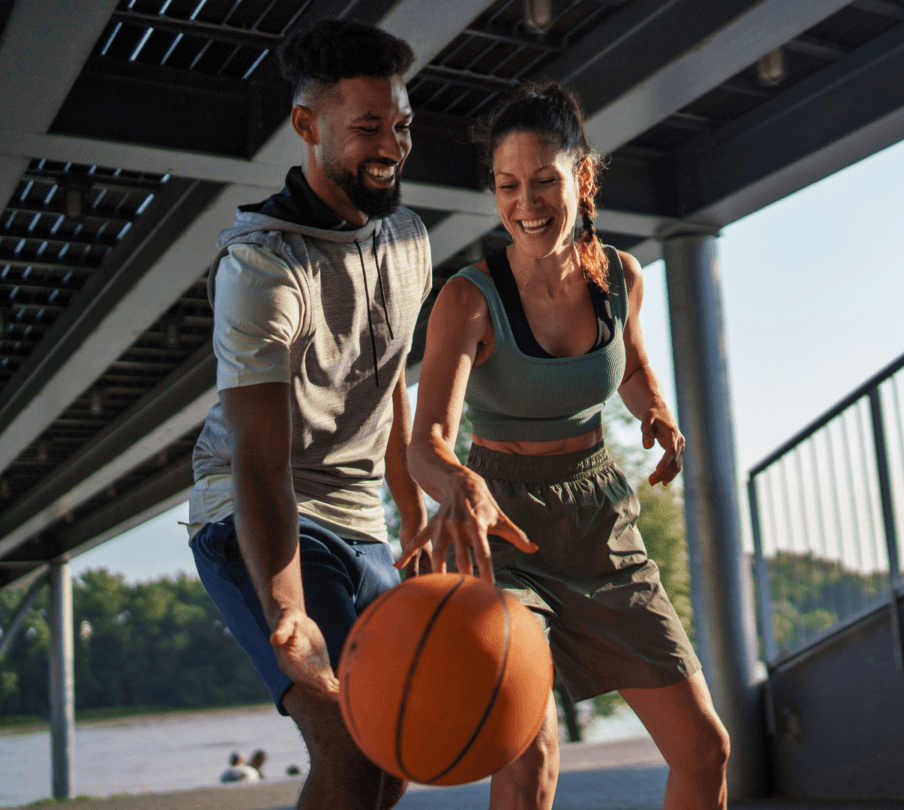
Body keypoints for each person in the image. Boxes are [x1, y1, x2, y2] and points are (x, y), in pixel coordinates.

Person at [400, 82, 730, 809]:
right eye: (507, 185)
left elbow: (632, 367)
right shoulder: (467, 299)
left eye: (545, 181)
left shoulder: (621, 277)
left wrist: (660, 416)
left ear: (582, 177)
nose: (526, 203)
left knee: (704, 750)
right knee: (531, 754)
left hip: (601, 523)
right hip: (504, 530)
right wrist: (457, 484)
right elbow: (425, 442)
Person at [186, 20, 431, 810]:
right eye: (366, 127)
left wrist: (410, 509)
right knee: (348, 747)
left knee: (391, 762)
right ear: (306, 125)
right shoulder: (262, 266)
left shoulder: (409, 239)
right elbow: (258, 460)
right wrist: (290, 612)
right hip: (254, 516)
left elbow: (388, 375)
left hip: (360, 524)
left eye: (400, 125)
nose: (390, 144)